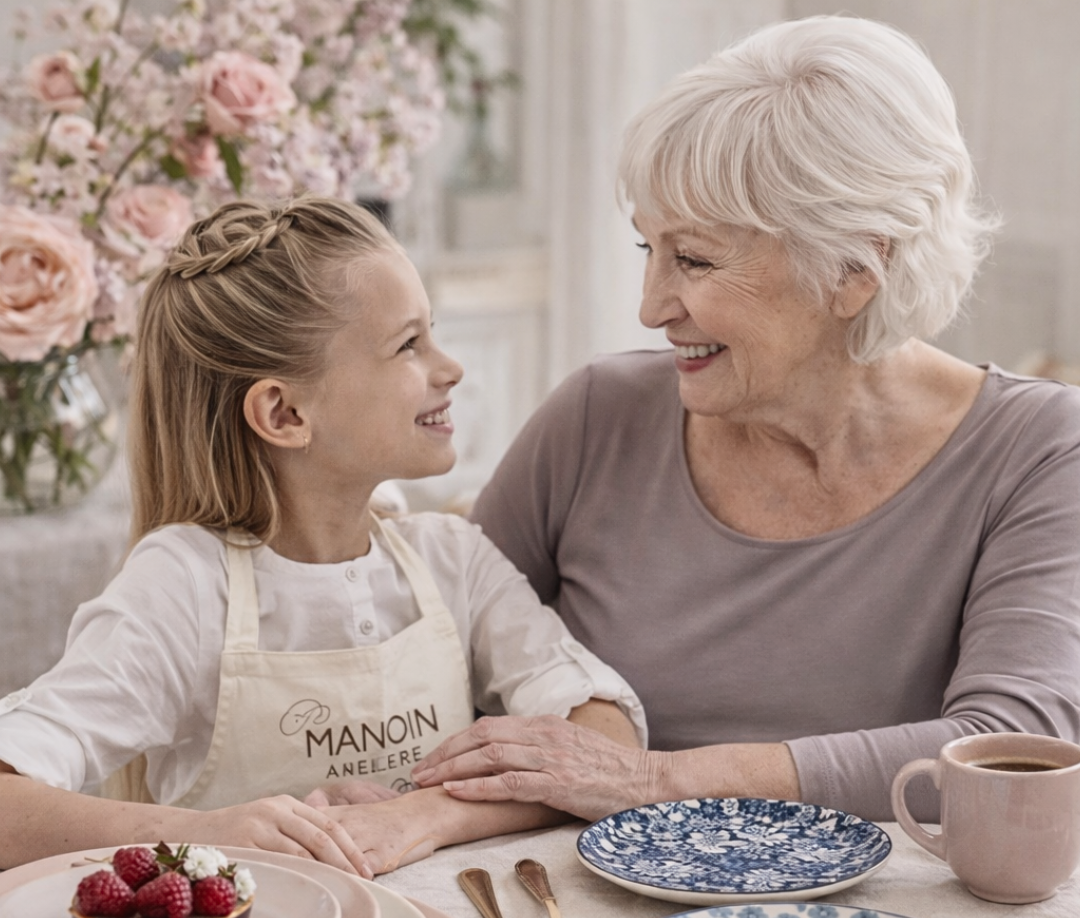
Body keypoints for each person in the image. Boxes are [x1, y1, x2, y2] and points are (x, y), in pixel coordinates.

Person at [411, 15, 1080, 824]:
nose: (652, 306)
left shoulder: (1040, 448)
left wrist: (652, 780)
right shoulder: (595, 417)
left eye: (693, 259)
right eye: (647, 251)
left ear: (855, 269)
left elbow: (1017, 744)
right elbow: (431, 658)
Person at [0, 194, 644, 872]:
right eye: (408, 345)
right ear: (283, 412)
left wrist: (421, 817)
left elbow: (608, 744)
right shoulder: (185, 585)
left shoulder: (451, 560)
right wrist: (212, 833)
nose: (449, 368)